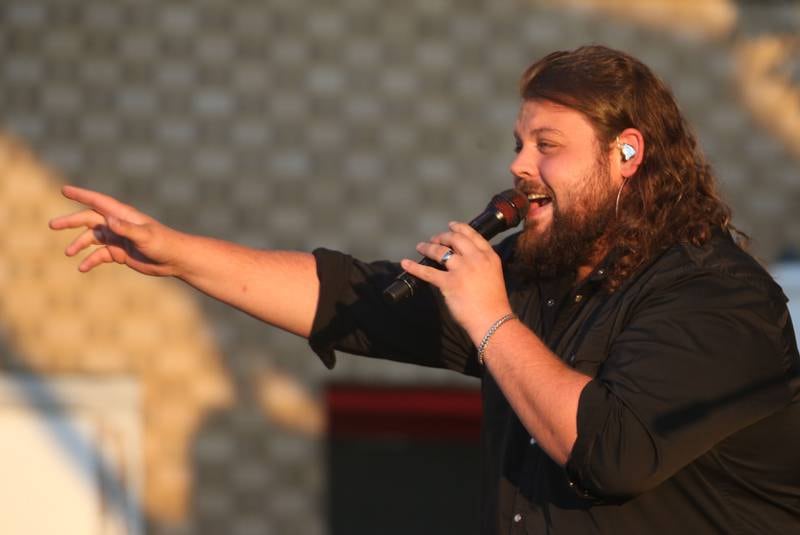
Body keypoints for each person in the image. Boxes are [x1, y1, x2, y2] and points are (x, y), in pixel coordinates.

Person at [50, 45, 799, 533]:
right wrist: (176, 253)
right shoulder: (538, 285)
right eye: (517, 144)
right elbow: (353, 299)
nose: (519, 166)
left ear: (627, 153)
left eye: (547, 146)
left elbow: (614, 451)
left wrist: (493, 323)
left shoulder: (720, 301)